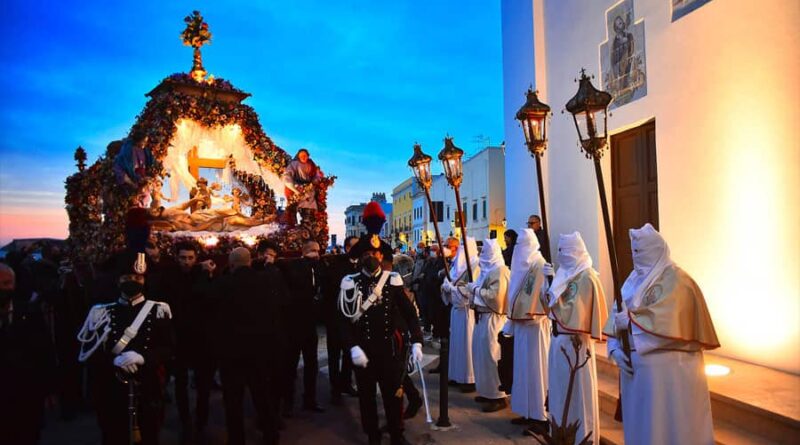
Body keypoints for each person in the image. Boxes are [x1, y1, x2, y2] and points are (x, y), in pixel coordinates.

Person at [605, 223, 719, 445]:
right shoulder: (631, 280)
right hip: (635, 377)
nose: (636, 258)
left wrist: (631, 322)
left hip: (668, 380)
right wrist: (615, 349)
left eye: (641, 252)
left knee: (669, 431)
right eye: (633, 252)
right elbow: (615, 316)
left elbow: (667, 321)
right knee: (642, 431)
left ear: (656, 250)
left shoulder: (679, 281)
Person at [76, 212, 173, 445]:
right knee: (113, 433)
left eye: (137, 278)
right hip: (111, 387)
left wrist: (143, 357)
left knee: (149, 433)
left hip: (147, 385)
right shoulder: (101, 313)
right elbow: (89, 352)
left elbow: (168, 346)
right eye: (127, 277)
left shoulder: (157, 310)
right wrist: (112, 361)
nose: (132, 281)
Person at [339, 202, 423, 445]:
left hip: (389, 349)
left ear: (383, 257)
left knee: (393, 396)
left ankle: (397, 434)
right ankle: (373, 436)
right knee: (366, 398)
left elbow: (409, 313)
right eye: (367, 254)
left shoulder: (392, 282)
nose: (373, 258)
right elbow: (343, 321)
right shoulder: (350, 283)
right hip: (364, 351)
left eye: (377, 254)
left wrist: (417, 340)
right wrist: (352, 346)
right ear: (359, 258)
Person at [205, 247, 283, 445]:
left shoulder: (222, 283)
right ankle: (270, 434)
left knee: (233, 399)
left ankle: (236, 438)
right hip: (259, 348)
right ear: (250, 262)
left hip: (231, 351)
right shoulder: (265, 281)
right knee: (262, 394)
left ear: (231, 264)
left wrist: (207, 274)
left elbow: (207, 304)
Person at [543, 232, 607, 441]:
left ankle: (581, 437)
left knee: (577, 394)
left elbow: (575, 313)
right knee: (559, 391)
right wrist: (548, 285)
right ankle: (560, 434)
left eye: (566, 252)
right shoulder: (564, 273)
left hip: (575, 345)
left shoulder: (587, 277)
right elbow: (550, 306)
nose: (562, 256)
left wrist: (553, 294)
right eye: (560, 251)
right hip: (557, 341)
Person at [162, 241, 216, 443]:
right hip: (180, 338)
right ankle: (186, 421)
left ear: (196, 258)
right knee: (181, 384)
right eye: (183, 258)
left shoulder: (201, 274)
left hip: (202, 339)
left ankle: (201, 421)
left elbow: (208, 296)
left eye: (190, 258)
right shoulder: (171, 278)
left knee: (203, 384)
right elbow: (188, 295)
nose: (186, 262)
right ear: (177, 258)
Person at [0, 263, 57, 445]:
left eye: (7, 283)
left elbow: (45, 351)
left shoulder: (29, 313)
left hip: (27, 395)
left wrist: (49, 390)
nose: (3, 288)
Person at [503, 229, 551, 434]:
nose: (519, 251)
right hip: (523, 329)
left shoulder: (540, 267)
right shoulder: (524, 268)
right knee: (523, 372)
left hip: (536, 328)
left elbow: (544, 298)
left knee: (536, 372)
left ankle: (540, 416)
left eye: (523, 246)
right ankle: (526, 411)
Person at [459, 238, 509, 412]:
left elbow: (496, 297)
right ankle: (486, 391)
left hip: (493, 319)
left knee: (491, 356)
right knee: (481, 356)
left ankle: (498, 396)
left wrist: (475, 290)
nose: (483, 256)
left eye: (486, 253)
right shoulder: (486, 271)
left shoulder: (500, 271)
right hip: (481, 317)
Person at [280, 239, 325, 414]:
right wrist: (306, 261)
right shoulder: (294, 266)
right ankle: (288, 402)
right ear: (304, 251)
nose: (317, 253)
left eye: (318, 250)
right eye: (313, 250)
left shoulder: (320, 267)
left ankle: (310, 399)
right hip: (294, 325)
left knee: (311, 365)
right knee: (290, 366)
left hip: (310, 326)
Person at [321, 235, 360, 405]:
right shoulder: (336, 264)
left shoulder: (361, 264)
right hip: (336, 316)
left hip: (354, 317)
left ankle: (346, 383)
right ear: (347, 248)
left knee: (350, 353)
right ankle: (335, 388)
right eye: (355, 246)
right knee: (334, 354)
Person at [440, 237, 479, 392]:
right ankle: (457, 375)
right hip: (456, 311)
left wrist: (452, 289)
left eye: (463, 247)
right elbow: (449, 278)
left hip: (467, 311)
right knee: (457, 346)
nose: (461, 249)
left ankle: (469, 379)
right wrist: (446, 286)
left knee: (467, 345)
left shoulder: (475, 266)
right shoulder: (459, 264)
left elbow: (471, 288)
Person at [282, 148, 324, 226]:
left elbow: (317, 175)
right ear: (298, 156)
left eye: (305, 155)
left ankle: (307, 221)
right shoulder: (294, 164)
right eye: (301, 156)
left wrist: (315, 180)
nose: (303, 157)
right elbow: (286, 175)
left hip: (309, 188)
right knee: (294, 206)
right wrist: (294, 187)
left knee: (309, 204)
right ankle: (293, 224)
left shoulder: (311, 164)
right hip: (297, 187)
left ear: (308, 156)